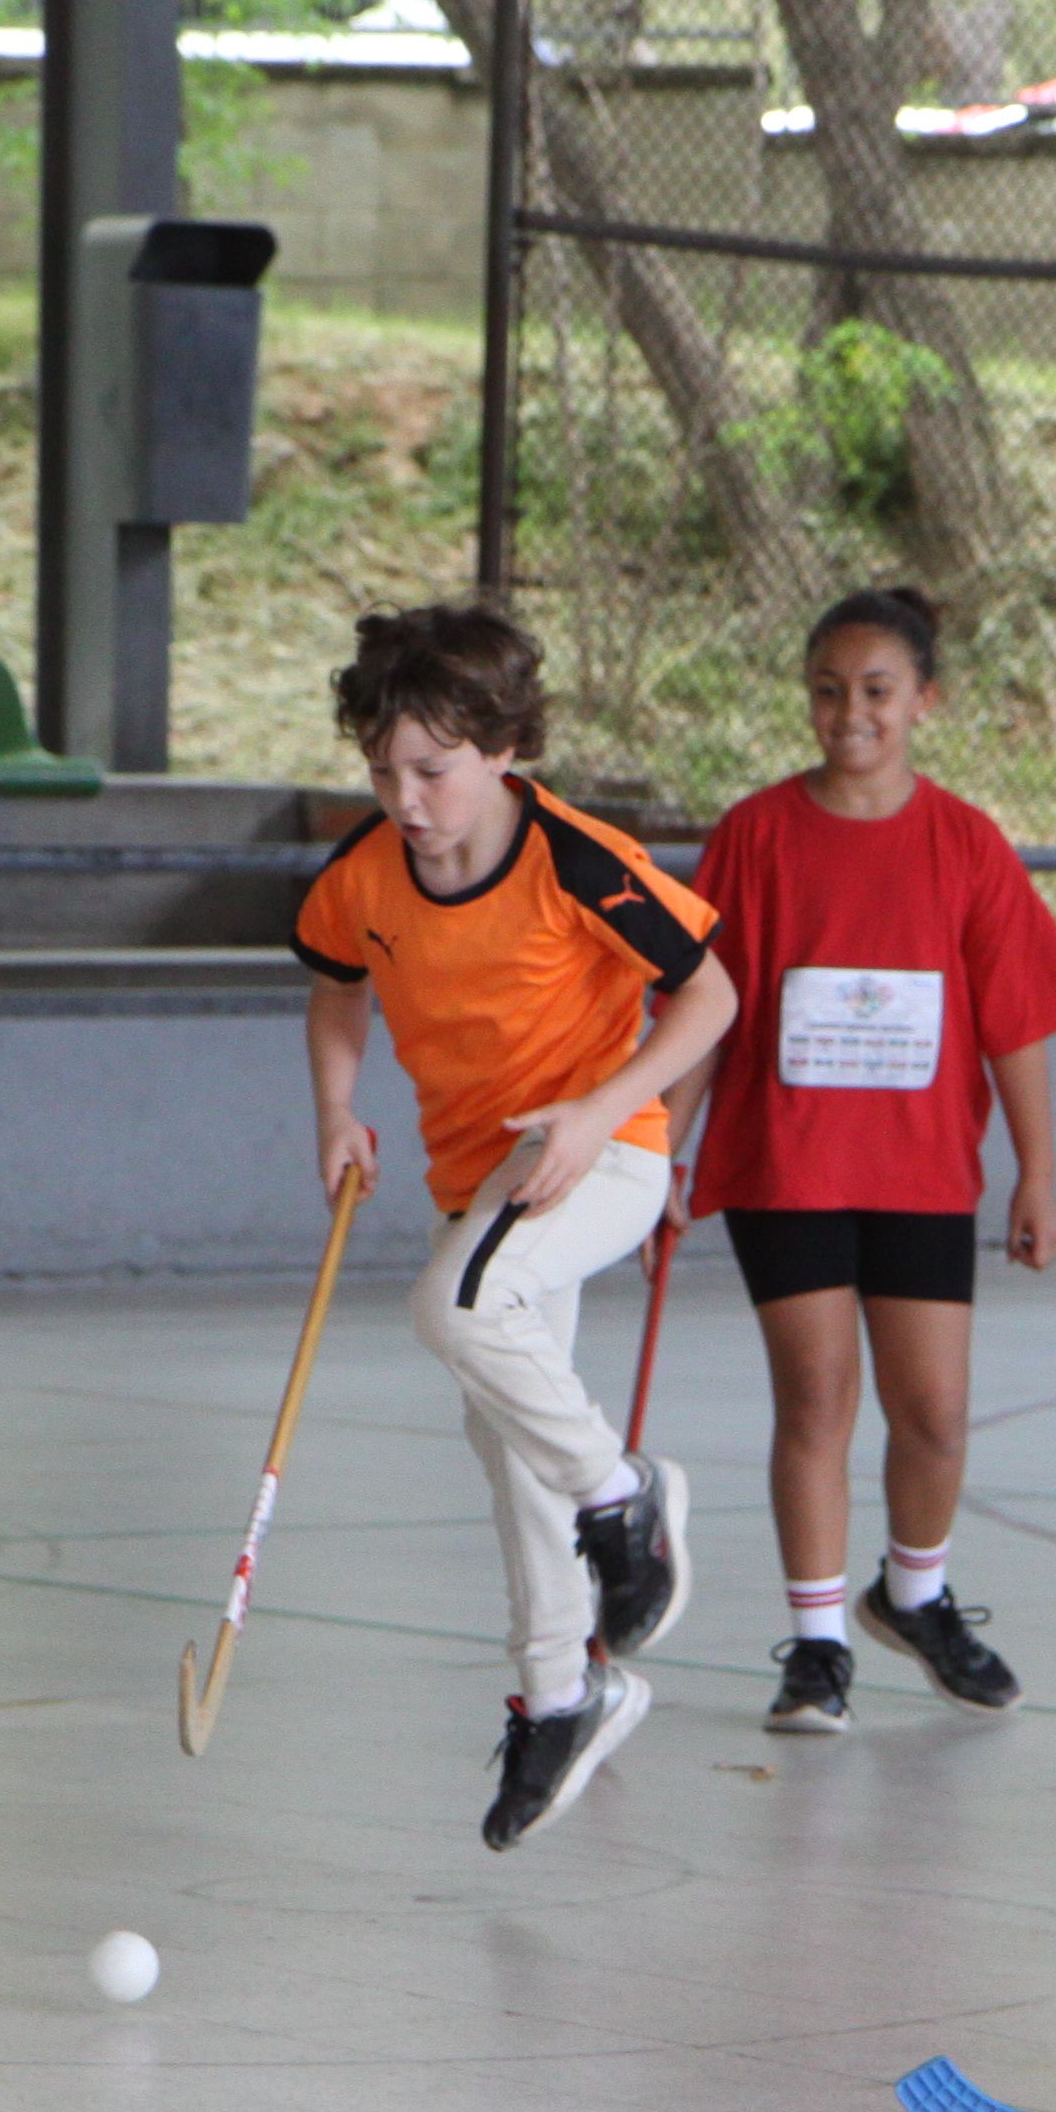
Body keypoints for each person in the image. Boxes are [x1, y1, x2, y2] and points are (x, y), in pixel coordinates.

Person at [293, 604, 735, 1851]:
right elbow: (337, 987)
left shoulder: (578, 861)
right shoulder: (362, 877)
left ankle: (627, 1496)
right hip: (474, 1181)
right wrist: (337, 1109)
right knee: (506, 1440)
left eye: (432, 770)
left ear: (502, 750)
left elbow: (712, 992)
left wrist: (597, 1114)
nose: (406, 798)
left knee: (456, 1307)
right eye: (383, 770)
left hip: (597, 1152)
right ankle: (561, 1692)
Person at [662, 586, 1056, 1732]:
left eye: (876, 690)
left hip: (921, 1172)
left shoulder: (966, 844)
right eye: (828, 689)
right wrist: (659, 1152)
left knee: (936, 1414)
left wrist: (1037, 1172)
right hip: (786, 1164)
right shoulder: (754, 835)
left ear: (924, 700)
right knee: (815, 1400)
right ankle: (816, 1648)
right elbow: (704, 1007)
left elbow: (1014, 1020)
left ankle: (913, 1595)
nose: (850, 712)